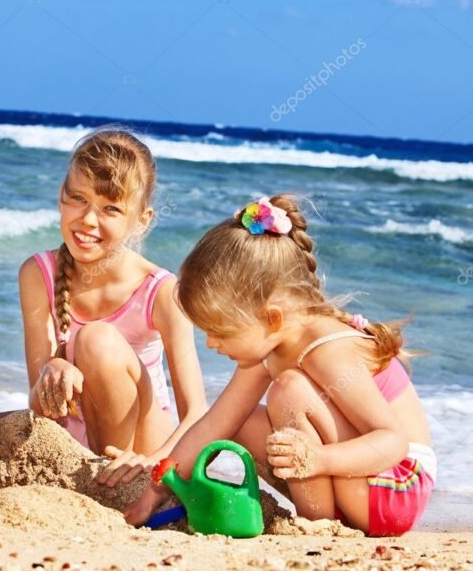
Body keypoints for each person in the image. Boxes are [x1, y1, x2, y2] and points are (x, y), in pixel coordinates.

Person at [125, 194, 435, 536]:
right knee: (237, 423)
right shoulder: (270, 344)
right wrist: (155, 491)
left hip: (395, 487)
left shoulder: (327, 351)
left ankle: (317, 523)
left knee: (288, 390)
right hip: (355, 479)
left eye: (220, 332)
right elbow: (214, 424)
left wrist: (318, 460)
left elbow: (392, 441)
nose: (212, 345)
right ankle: (324, 517)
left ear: (271, 318)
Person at [18, 128, 206, 486]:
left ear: (142, 220)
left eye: (111, 209)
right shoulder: (37, 274)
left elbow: (195, 413)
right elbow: (37, 407)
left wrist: (154, 461)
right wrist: (51, 370)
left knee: (96, 340)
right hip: (70, 437)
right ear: (61, 196)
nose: (89, 220)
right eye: (78, 198)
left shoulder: (161, 291)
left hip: (142, 446)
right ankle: (93, 474)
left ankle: (115, 485)